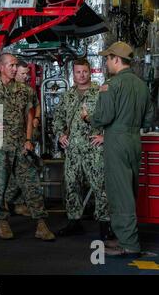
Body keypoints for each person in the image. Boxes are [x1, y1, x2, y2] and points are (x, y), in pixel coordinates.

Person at [81, 41, 154, 257]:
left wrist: (88, 117)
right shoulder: (142, 85)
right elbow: (149, 117)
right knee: (129, 189)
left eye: (107, 58)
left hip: (116, 140)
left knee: (119, 192)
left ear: (116, 59)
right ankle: (125, 237)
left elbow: (103, 117)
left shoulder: (110, 85)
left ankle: (129, 244)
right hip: (134, 140)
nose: (106, 63)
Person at [0, 53, 55, 240]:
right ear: (1, 67)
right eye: (12, 65)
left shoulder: (25, 90)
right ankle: (3, 222)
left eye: (16, 65)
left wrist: (29, 139)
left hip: (21, 145)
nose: (15, 69)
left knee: (31, 184)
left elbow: (29, 116)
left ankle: (41, 223)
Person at [53, 58, 113, 240]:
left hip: (94, 150)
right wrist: (60, 134)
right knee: (72, 185)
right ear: (73, 73)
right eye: (78, 72)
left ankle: (105, 224)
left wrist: (105, 136)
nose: (81, 75)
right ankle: (74, 221)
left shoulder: (101, 92)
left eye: (84, 71)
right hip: (73, 150)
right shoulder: (67, 96)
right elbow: (58, 119)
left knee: (100, 187)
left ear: (90, 72)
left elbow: (111, 117)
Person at [12, 60, 42, 217]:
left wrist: (36, 117)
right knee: (14, 172)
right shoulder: (5, 90)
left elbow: (36, 105)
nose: (25, 77)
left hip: (27, 138)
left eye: (27, 74)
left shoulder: (28, 90)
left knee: (28, 169)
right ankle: (12, 204)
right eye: (22, 74)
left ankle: (21, 203)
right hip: (12, 139)